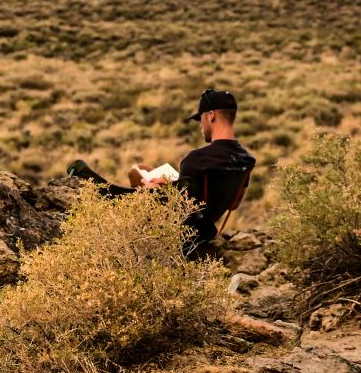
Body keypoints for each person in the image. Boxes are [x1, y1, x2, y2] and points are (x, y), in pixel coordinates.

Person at [66, 88, 256, 259]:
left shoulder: (198, 159)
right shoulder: (246, 160)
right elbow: (234, 205)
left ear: (211, 115)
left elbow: (182, 211)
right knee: (141, 169)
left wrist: (157, 193)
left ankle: (86, 178)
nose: (200, 126)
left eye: (201, 119)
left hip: (182, 235)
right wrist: (172, 188)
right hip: (205, 228)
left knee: (93, 180)